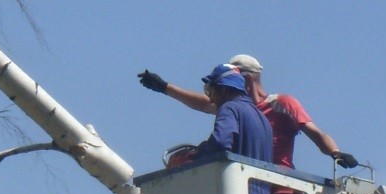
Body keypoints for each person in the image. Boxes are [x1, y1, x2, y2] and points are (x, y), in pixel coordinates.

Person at [138, 53, 359, 171]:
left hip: (281, 184)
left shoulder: (281, 104)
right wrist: (164, 87)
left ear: (246, 78)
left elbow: (316, 133)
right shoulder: (238, 107)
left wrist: (336, 153)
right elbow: (202, 102)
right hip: (251, 183)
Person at [188, 63, 274, 194]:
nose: (212, 98)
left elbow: (221, 142)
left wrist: (196, 155)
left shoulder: (230, 109)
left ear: (224, 89)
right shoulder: (262, 118)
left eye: (212, 90)